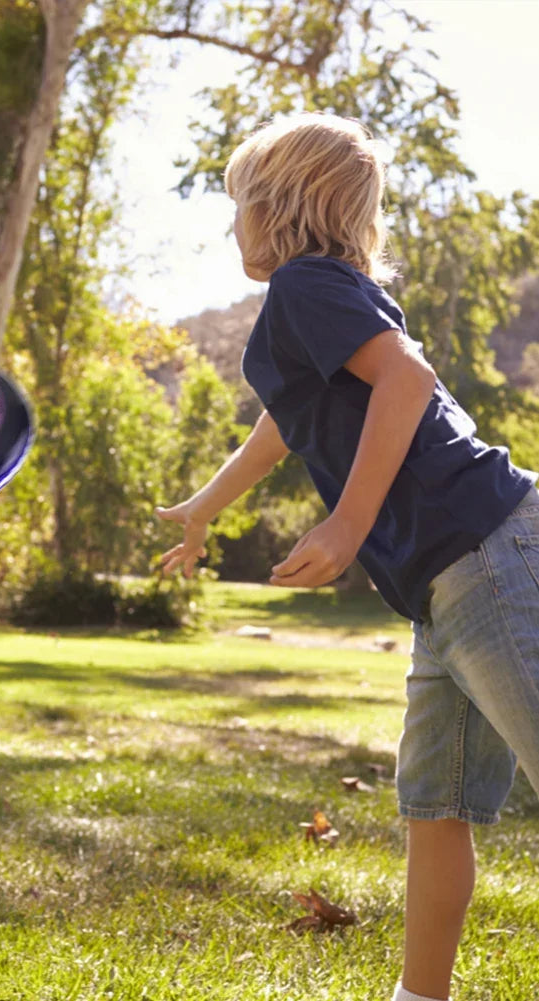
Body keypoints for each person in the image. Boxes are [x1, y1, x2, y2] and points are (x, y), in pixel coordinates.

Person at [156, 113, 538, 1001]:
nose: (232, 227)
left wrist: (346, 523)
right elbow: (281, 427)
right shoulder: (319, 302)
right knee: (433, 804)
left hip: (485, 549)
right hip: (444, 583)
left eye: (238, 206)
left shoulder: (304, 285)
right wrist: (204, 507)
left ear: (278, 208)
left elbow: (407, 379)